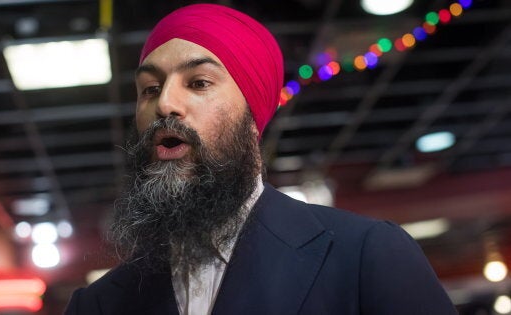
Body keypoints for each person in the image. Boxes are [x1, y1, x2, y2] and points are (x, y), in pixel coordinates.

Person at [65, 3, 457, 315]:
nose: (165, 102)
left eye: (198, 82)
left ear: (253, 116)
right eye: (150, 88)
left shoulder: (365, 255)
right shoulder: (99, 304)